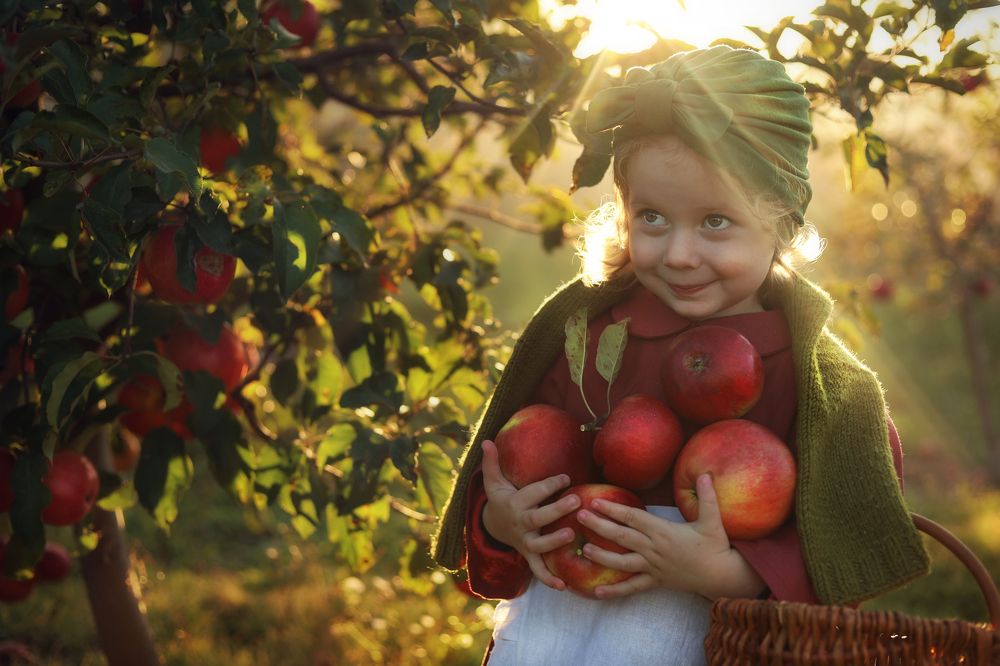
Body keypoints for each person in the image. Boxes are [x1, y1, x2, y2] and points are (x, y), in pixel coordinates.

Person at [430, 45, 930, 665]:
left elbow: (832, 547)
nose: (680, 253)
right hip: (554, 634)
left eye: (716, 221)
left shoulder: (813, 382)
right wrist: (503, 521)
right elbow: (513, 467)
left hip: (699, 641)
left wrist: (729, 573)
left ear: (781, 223)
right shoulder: (586, 336)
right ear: (624, 214)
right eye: (654, 217)